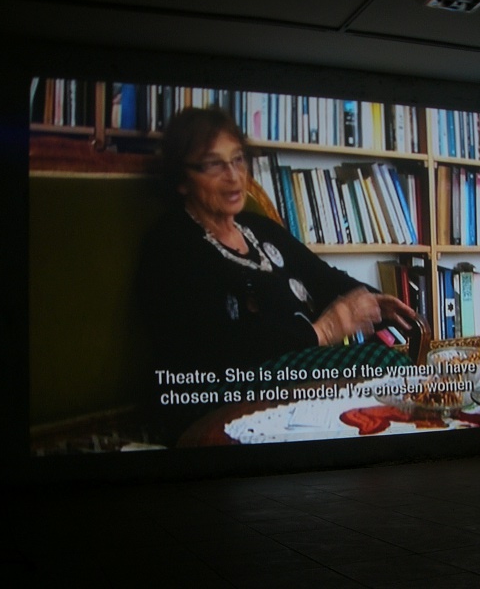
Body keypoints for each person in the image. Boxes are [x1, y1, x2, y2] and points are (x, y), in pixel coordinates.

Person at [137, 107, 416, 441]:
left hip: (294, 367)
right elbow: (217, 347)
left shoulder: (258, 227)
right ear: (182, 179)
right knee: (383, 365)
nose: (234, 176)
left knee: (393, 373)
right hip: (214, 388)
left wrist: (371, 299)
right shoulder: (170, 243)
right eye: (214, 164)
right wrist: (322, 331)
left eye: (238, 159)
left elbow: (323, 276)